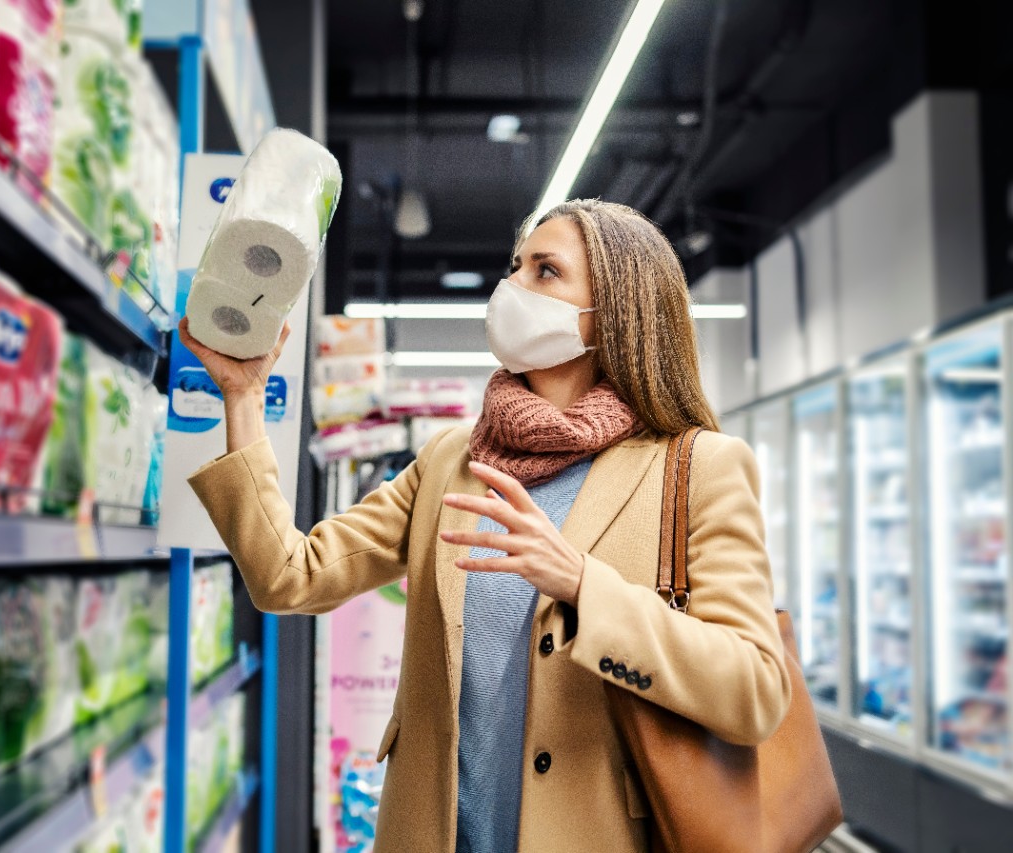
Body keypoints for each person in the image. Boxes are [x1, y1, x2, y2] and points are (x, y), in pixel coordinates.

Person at [179, 199, 790, 853]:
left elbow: (754, 691)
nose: (513, 287)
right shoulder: (451, 461)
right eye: (516, 266)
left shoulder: (698, 470)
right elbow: (287, 575)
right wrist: (242, 398)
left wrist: (584, 584)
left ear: (615, 312)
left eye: (546, 271)